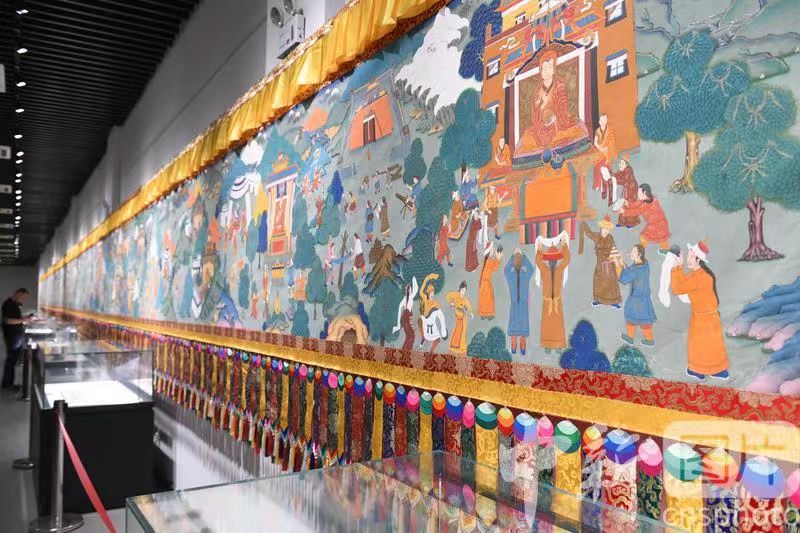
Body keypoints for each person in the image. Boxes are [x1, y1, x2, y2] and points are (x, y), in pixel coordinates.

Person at [670, 241, 730, 381]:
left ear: (698, 260)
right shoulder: (699, 274)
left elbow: (678, 288)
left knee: (700, 345)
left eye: (691, 256)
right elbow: (683, 283)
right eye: (689, 255)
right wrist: (679, 266)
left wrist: (676, 267)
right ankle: (718, 370)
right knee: (712, 345)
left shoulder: (699, 277)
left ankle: (699, 370)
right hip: (708, 317)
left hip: (703, 319)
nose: (688, 259)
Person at [615, 245, 657, 347]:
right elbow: (630, 271)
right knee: (643, 318)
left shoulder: (637, 269)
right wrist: (622, 263)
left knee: (634, 316)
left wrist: (617, 264)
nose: (631, 253)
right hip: (642, 297)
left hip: (637, 298)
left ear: (639, 254)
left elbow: (624, 279)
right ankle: (643, 339)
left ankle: (640, 338)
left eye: (634, 251)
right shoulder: (644, 264)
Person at [535, 234, 570, 353]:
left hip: (556, 302)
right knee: (548, 325)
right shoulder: (548, 270)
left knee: (556, 325)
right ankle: (548, 345)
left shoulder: (556, 270)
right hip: (548, 302)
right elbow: (566, 259)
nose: (552, 262)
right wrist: (540, 248)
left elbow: (538, 261)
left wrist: (564, 244)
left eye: (553, 260)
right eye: (552, 260)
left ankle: (558, 345)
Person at [579, 217, 621, 308]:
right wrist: (584, 225)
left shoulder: (610, 238)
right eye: (604, 229)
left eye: (608, 229)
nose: (606, 231)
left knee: (611, 281)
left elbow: (614, 250)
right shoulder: (597, 236)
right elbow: (589, 233)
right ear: (601, 228)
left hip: (610, 264)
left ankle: (614, 301)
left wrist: (616, 260)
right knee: (599, 281)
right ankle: (599, 299)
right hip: (600, 265)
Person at [617, 183, 671, 254]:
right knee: (662, 239)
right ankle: (667, 251)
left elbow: (636, 211)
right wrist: (628, 204)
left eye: (639, 193)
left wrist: (624, 211)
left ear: (645, 193)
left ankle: (639, 251)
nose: (638, 195)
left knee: (644, 237)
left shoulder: (646, 205)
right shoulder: (651, 198)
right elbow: (637, 204)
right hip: (661, 224)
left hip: (656, 225)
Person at [505, 249, 535, 356]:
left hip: (519, 303)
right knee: (519, 322)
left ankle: (519, 345)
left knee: (519, 322)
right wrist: (521, 256)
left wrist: (515, 256)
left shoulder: (517, 274)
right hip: (518, 303)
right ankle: (517, 345)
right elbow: (531, 269)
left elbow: (506, 270)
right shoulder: (518, 274)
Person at [2, 288, 31, 390]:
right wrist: (24, 320)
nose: (23, 300)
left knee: (12, 360)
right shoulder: (9, 304)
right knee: (11, 360)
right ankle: (7, 384)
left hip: (15, 336)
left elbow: (16, 319)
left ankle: (8, 383)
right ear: (17, 294)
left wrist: (24, 319)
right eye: (23, 297)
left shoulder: (14, 304)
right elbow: (8, 321)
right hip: (12, 337)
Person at [592, 114, 617, 205]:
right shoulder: (597, 131)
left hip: (607, 154)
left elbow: (611, 143)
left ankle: (603, 185)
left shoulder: (610, 131)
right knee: (597, 168)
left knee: (603, 168)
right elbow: (595, 143)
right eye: (601, 120)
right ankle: (599, 184)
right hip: (600, 153)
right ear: (599, 121)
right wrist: (601, 148)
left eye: (604, 119)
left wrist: (605, 149)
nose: (603, 121)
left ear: (607, 120)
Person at [446, 281, 473, 355]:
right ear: (460, 289)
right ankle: (454, 347)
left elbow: (468, 304)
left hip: (463, 319)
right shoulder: (456, 295)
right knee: (456, 331)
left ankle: (461, 348)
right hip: (458, 318)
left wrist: (471, 312)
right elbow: (448, 296)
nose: (463, 292)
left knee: (462, 333)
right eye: (462, 290)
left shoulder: (464, 299)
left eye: (465, 291)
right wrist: (451, 303)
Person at [478, 243, 503, 319]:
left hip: (483, 283)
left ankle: (483, 314)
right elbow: (495, 267)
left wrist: (496, 258)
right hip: (486, 284)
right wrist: (498, 258)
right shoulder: (489, 261)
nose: (493, 251)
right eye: (492, 250)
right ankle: (489, 314)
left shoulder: (486, 260)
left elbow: (493, 265)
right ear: (489, 252)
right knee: (489, 299)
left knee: (483, 299)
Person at [393, 277, 419, 351]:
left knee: (410, 336)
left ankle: (406, 350)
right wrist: (398, 324)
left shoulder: (410, 297)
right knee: (411, 336)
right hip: (405, 320)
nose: (410, 290)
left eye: (410, 288)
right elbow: (399, 309)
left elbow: (416, 289)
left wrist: (414, 279)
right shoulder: (405, 299)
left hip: (407, 319)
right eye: (409, 289)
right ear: (407, 290)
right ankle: (406, 350)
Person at [614, 158, 640, 228]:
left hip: (632, 189)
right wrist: (615, 174)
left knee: (629, 205)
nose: (620, 164)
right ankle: (622, 222)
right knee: (623, 204)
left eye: (622, 163)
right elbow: (618, 177)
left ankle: (631, 223)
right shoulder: (622, 170)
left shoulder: (628, 170)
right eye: (620, 163)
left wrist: (615, 178)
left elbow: (624, 180)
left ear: (626, 164)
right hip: (626, 189)